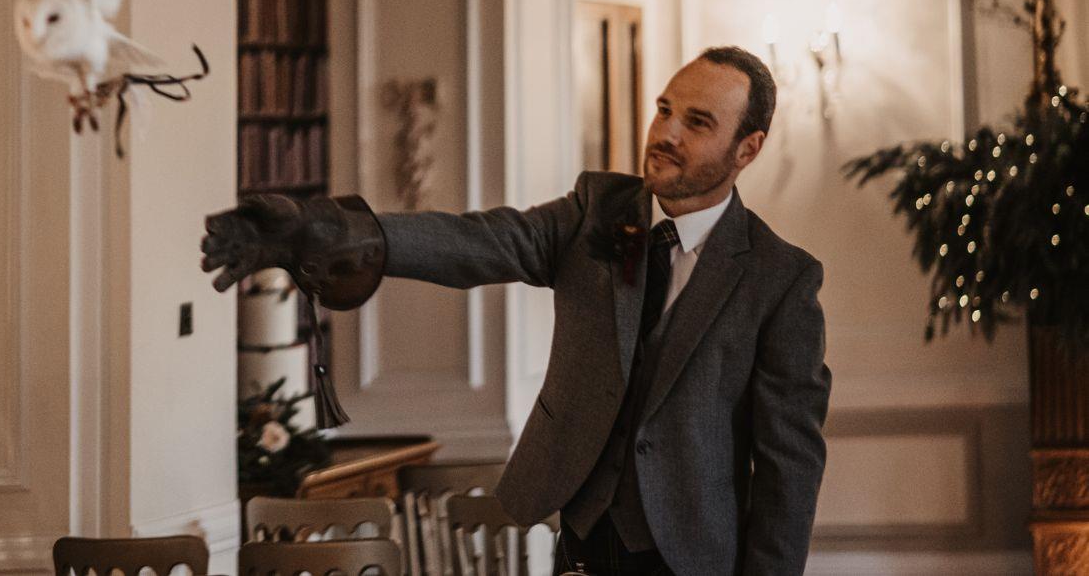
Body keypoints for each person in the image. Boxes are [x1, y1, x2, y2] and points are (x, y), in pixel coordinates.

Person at [202, 46, 830, 576]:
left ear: (747, 149)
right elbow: (478, 241)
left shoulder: (780, 279)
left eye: (697, 122)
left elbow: (788, 467)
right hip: (582, 541)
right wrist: (328, 229)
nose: (665, 133)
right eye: (664, 108)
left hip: (696, 559)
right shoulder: (596, 210)